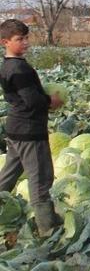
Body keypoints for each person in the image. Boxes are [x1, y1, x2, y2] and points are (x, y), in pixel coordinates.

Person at [0, 19, 63, 237]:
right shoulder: (19, 68)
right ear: (5, 42)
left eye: (26, 38)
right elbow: (32, 100)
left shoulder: (8, 65)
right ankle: (48, 230)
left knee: (8, 176)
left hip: (16, 130)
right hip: (29, 132)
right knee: (40, 180)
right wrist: (51, 101)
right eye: (20, 39)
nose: (25, 42)